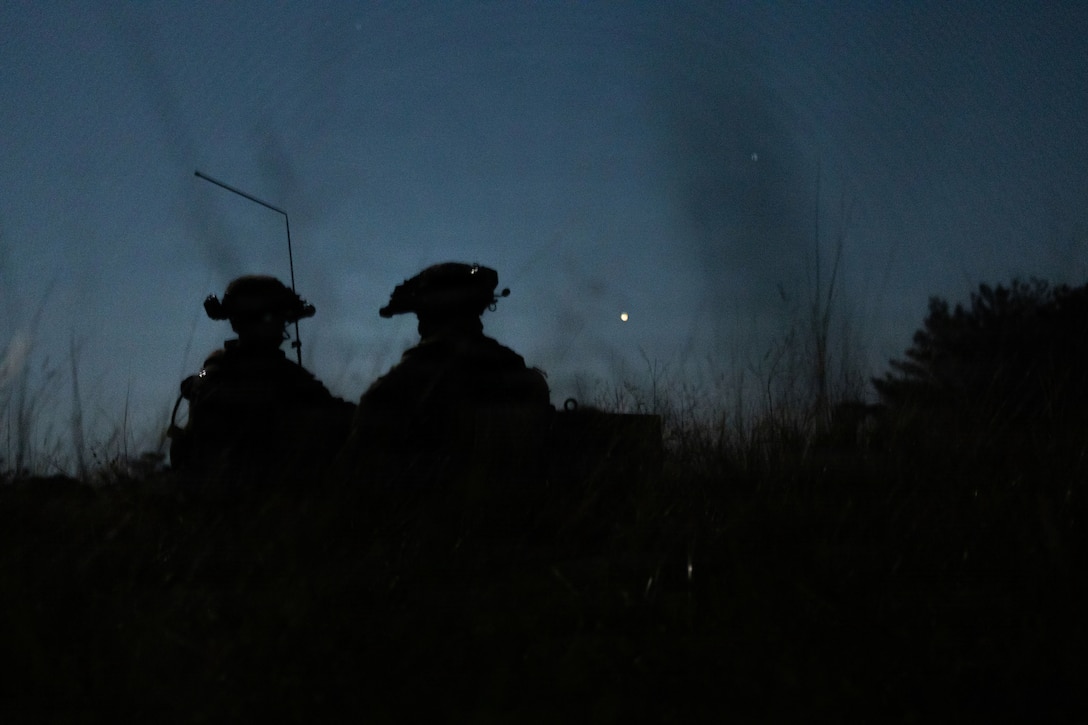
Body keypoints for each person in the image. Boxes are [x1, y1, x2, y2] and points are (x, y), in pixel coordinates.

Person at [344, 262, 552, 486]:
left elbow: (356, 465)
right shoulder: (515, 369)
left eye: (421, 315)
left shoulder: (411, 377)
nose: (420, 325)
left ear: (430, 312)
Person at [168, 275, 355, 480]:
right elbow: (338, 418)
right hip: (263, 496)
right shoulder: (284, 377)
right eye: (279, 318)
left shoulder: (212, 368)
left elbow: (195, 381)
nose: (283, 326)